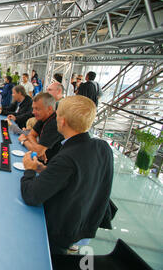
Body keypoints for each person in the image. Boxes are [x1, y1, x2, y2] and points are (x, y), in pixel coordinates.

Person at [20, 95, 114, 255]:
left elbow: (31, 195)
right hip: (87, 224)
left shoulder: (67, 157)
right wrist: (45, 171)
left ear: (62, 121)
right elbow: (80, 178)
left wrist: (29, 169)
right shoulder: (103, 148)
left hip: (61, 234)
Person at [18, 92, 64, 163]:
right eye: (33, 108)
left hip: (49, 165)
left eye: (37, 109)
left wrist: (24, 141)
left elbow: (37, 152)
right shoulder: (42, 117)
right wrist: (37, 148)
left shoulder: (54, 124)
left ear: (49, 109)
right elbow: (31, 135)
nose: (33, 112)